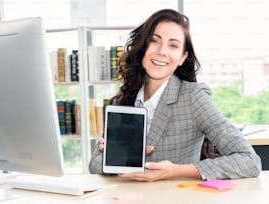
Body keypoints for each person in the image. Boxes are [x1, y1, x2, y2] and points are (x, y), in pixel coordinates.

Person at [88, 8, 262, 181]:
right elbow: (94, 164)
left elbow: (249, 161)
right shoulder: (124, 99)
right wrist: (110, 156)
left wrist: (178, 171)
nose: (162, 51)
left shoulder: (194, 98)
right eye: (154, 41)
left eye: (173, 45)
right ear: (142, 48)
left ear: (182, 57)